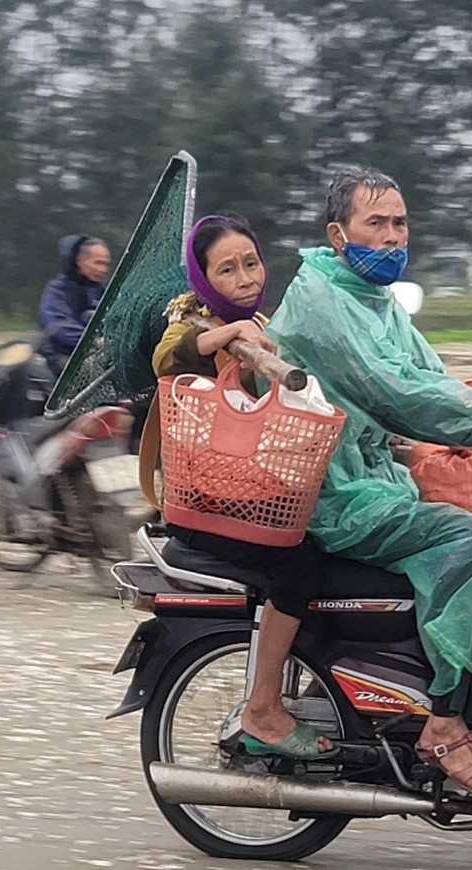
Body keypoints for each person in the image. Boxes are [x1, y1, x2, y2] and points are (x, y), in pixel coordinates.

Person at [266, 168, 472, 799]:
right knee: (467, 541)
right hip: (335, 493)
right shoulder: (321, 300)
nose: (393, 235)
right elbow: (395, 390)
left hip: (379, 477)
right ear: (338, 233)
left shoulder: (375, 298)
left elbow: (431, 375)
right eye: (376, 222)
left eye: (400, 222)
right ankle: (446, 725)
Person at [150, 214, 332, 760]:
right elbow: (168, 358)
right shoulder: (187, 325)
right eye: (226, 270)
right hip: (202, 504)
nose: (245, 276)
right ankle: (263, 708)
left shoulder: (263, 321)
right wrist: (230, 336)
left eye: (250, 263)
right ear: (204, 281)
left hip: (249, 491)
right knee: (301, 566)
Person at [39, 234, 110, 371]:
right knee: (90, 371)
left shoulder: (101, 290)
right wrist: (93, 342)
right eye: (98, 263)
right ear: (79, 261)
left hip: (94, 352)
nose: (103, 269)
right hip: (61, 354)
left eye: (106, 264)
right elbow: (58, 326)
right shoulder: (57, 290)